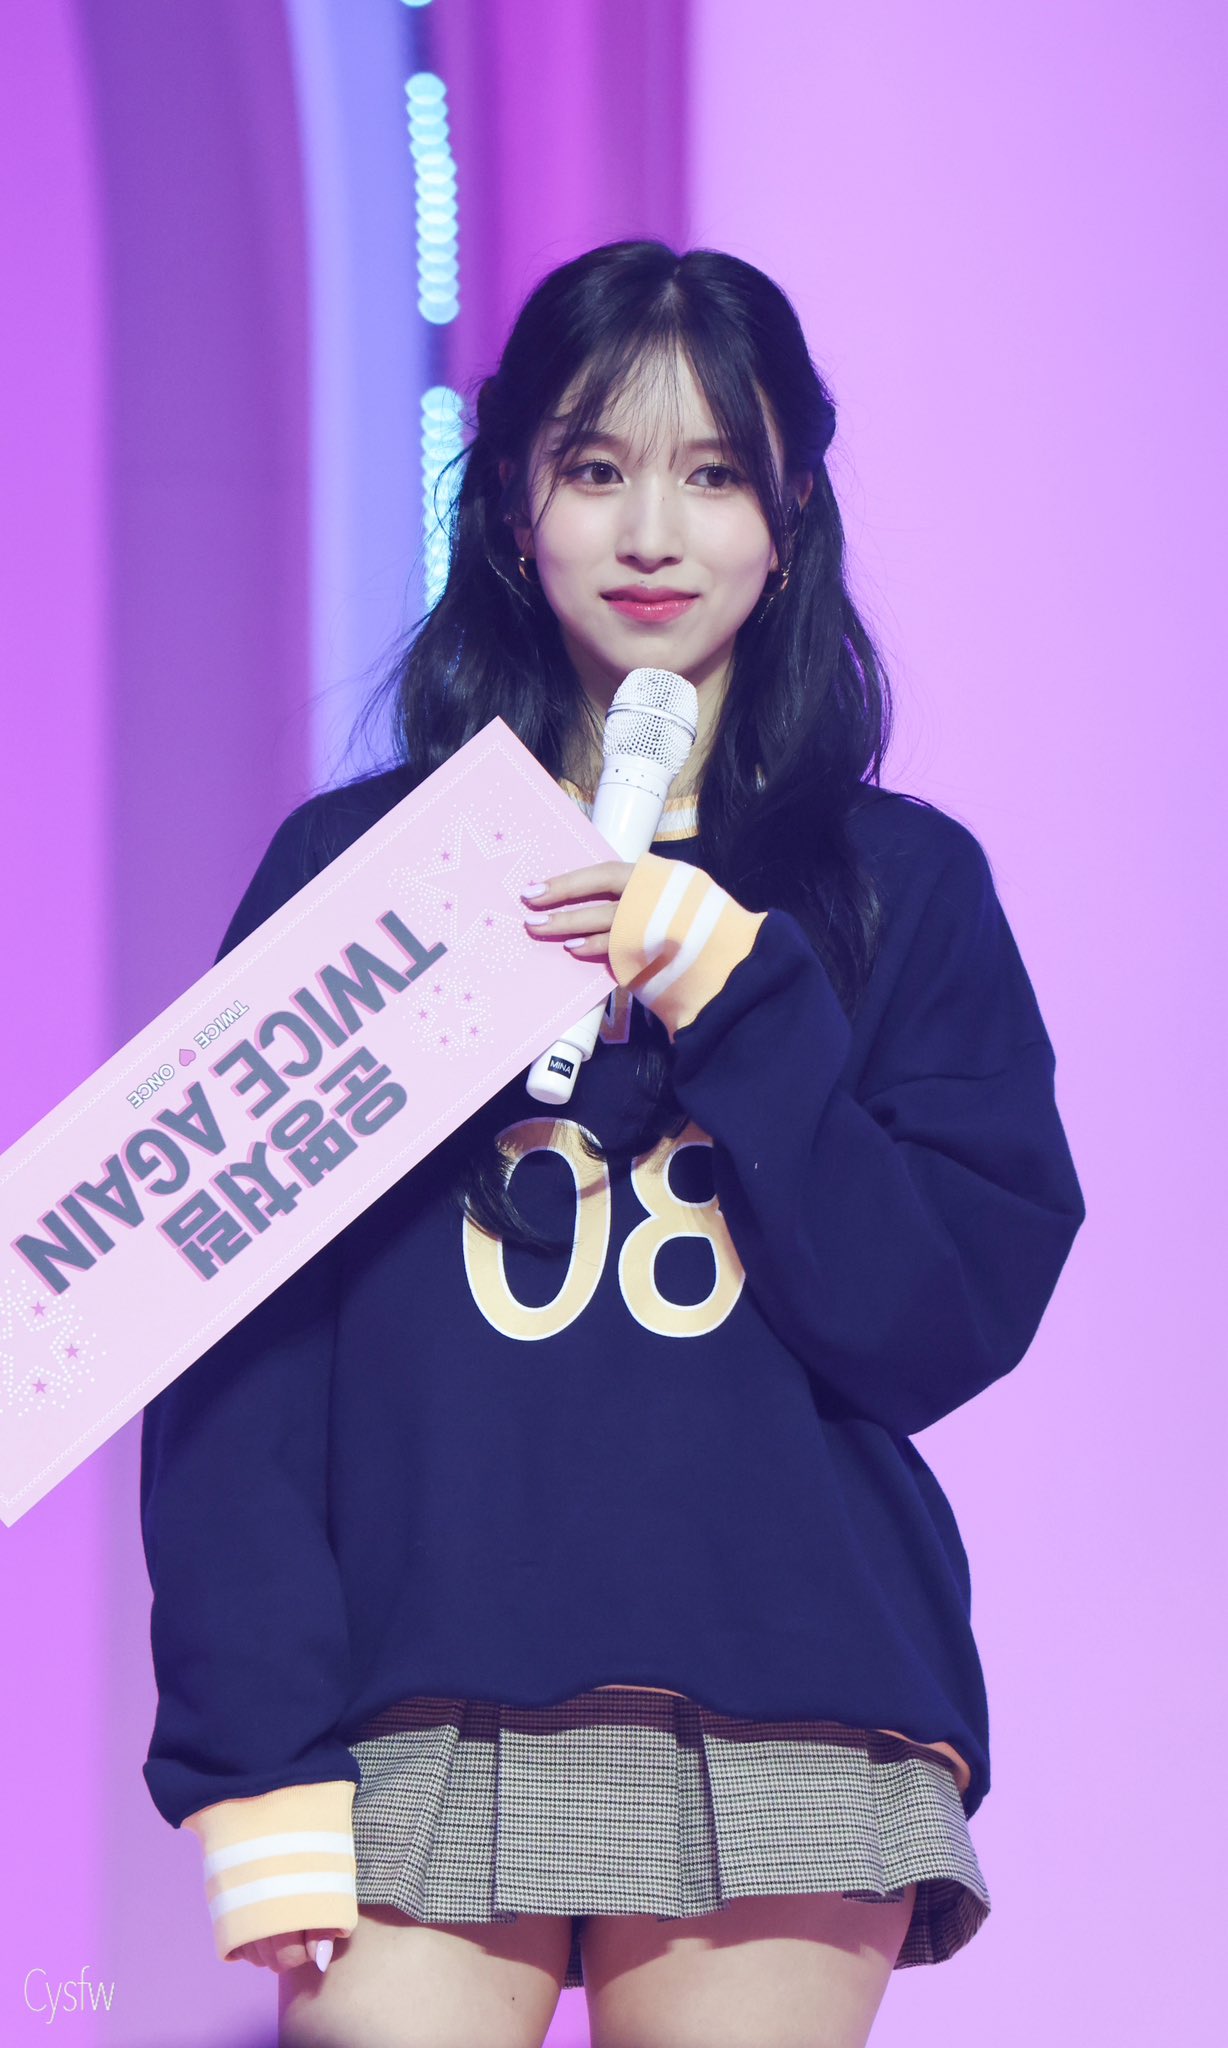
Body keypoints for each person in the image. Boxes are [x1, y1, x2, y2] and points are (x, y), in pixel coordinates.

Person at [139, 240, 1086, 2048]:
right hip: (413, 1696)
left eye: (713, 474)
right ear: (515, 507)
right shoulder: (366, 879)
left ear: (788, 519)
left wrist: (744, 995)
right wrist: (249, 1752)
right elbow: (231, 1346)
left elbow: (935, 1322)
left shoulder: (900, 888)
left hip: (786, 1689)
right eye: (596, 468)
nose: (653, 532)